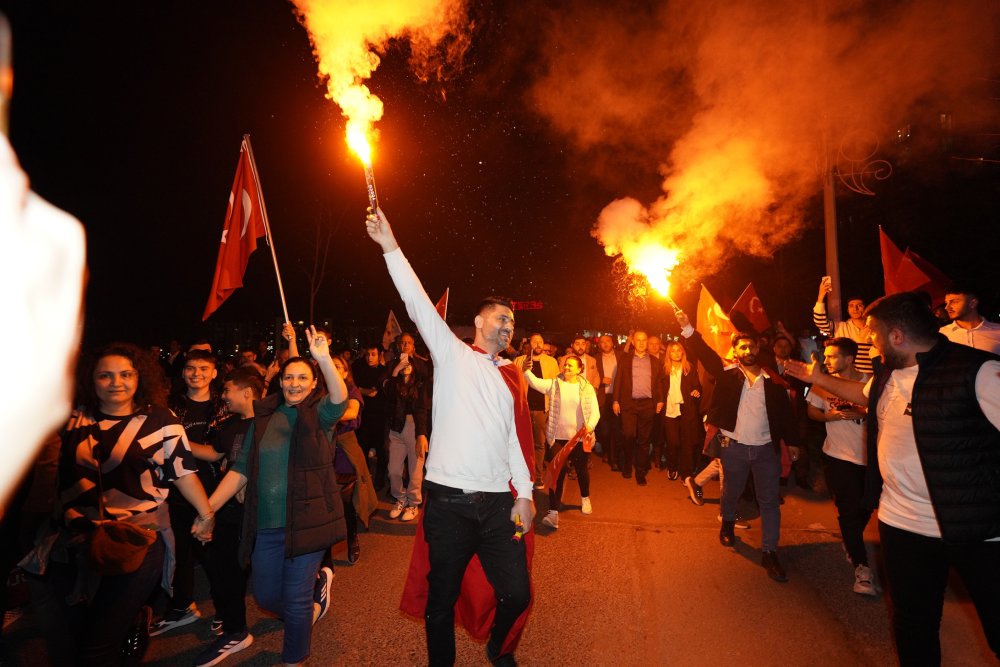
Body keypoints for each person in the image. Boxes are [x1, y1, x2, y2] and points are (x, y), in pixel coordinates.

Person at [785, 292, 1000, 664]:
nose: (870, 342)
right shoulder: (886, 373)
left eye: (874, 334)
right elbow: (863, 394)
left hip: (977, 530)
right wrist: (818, 377)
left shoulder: (978, 372)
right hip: (902, 526)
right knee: (914, 628)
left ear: (897, 336)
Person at [367, 208, 534, 667]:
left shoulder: (512, 376)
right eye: (500, 318)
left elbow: (514, 441)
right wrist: (390, 246)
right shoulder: (452, 354)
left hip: (500, 504)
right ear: (479, 323)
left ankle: (498, 649)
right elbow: (416, 301)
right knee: (439, 601)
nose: (508, 325)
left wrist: (526, 494)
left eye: (513, 322)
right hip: (449, 505)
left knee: (517, 594)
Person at [25, 343, 214, 666]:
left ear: (140, 377)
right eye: (106, 375)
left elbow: (182, 473)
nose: (117, 383)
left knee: (98, 643)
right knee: (70, 634)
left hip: (137, 540)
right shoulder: (71, 418)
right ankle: (135, 620)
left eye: (126, 374)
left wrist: (206, 514)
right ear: (91, 379)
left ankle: (131, 620)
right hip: (73, 542)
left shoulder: (159, 420)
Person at [207, 327, 349, 666]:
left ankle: (294, 658)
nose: (295, 383)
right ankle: (315, 603)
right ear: (280, 381)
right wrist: (207, 509)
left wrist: (324, 359)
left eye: (303, 378)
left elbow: (340, 399)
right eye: (289, 377)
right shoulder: (263, 418)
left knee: (295, 600)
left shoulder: (319, 415)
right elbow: (240, 469)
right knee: (268, 596)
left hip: (308, 521)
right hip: (266, 523)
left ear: (314, 383)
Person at [675, 311, 801, 582]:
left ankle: (769, 551)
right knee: (730, 492)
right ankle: (728, 524)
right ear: (735, 350)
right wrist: (687, 326)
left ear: (758, 349)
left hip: (766, 450)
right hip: (734, 448)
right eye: (742, 346)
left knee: (769, 502)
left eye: (752, 346)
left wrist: (792, 442)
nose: (748, 350)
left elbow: (785, 416)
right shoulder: (727, 374)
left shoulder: (773, 382)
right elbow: (705, 353)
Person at [152, 349, 226, 636]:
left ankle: (226, 610)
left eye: (204, 368)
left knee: (213, 556)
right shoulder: (169, 406)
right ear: (183, 373)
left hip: (213, 492)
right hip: (175, 490)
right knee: (180, 552)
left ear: (214, 373)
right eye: (191, 369)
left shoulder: (223, 406)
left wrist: (176, 442)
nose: (197, 374)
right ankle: (182, 607)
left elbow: (219, 454)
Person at [192, 367, 263, 666]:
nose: (223, 396)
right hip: (230, 511)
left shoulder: (268, 424)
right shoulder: (231, 425)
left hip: (259, 514)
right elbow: (215, 454)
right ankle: (234, 628)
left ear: (246, 392)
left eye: (227, 390)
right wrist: (175, 439)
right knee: (223, 567)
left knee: (263, 573)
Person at [804, 337, 875, 596]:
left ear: (850, 359)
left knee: (866, 506)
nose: (827, 361)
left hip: (869, 459)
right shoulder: (823, 383)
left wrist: (866, 412)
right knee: (847, 510)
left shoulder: (870, 383)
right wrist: (828, 416)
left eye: (833, 356)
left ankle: (850, 538)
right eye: (826, 356)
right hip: (837, 457)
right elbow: (812, 411)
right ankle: (862, 568)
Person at [524, 355, 601, 528]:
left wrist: (590, 425)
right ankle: (553, 512)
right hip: (558, 437)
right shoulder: (554, 384)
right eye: (566, 365)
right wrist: (526, 371)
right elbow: (535, 383)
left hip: (579, 438)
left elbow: (595, 411)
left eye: (571, 366)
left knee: (581, 470)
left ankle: (585, 497)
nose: (567, 368)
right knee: (556, 473)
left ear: (579, 369)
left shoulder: (587, 388)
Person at [328, 355, 378, 564]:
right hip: (322, 449)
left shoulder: (352, 391)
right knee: (323, 502)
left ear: (346, 372)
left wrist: (324, 415)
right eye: (330, 366)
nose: (333, 369)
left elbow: (352, 412)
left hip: (344, 450)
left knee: (347, 502)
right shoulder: (320, 390)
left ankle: (352, 538)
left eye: (338, 366)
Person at [611, 330, 665, 486]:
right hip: (628, 404)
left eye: (644, 340)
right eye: (638, 340)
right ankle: (628, 463)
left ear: (647, 342)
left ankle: (640, 472)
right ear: (633, 342)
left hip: (648, 404)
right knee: (628, 435)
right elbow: (618, 380)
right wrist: (615, 401)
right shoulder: (625, 359)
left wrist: (660, 400)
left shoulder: (655, 362)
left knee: (644, 440)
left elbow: (659, 383)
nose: (641, 343)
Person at [385, 351, 431, 523]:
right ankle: (400, 498)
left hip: (414, 427)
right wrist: (396, 369)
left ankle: (414, 503)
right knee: (394, 470)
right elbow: (387, 394)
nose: (405, 366)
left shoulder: (420, 384)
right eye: (402, 363)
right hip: (396, 429)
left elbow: (422, 410)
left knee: (415, 470)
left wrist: (422, 433)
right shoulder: (394, 384)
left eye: (408, 364)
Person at [513, 334, 559, 489]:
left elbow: (556, 386)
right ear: (529, 344)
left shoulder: (551, 362)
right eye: (535, 341)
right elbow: (514, 381)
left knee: (539, 444)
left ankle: (537, 476)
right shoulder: (520, 360)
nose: (538, 344)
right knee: (522, 443)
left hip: (542, 409)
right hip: (523, 408)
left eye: (541, 341)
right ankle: (523, 474)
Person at [813, 276, 874, 374]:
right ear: (848, 310)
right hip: (845, 381)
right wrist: (821, 296)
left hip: (870, 381)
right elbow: (820, 321)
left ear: (866, 308)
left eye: (859, 305)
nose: (855, 309)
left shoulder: (875, 329)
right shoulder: (840, 328)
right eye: (851, 306)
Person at [662, 341, 704, 481]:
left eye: (678, 350)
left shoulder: (689, 368)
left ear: (682, 352)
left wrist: (696, 391)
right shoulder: (664, 369)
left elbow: (697, 386)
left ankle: (686, 473)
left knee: (687, 442)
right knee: (673, 442)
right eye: (673, 351)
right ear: (669, 353)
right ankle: (672, 467)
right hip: (669, 410)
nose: (676, 353)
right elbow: (658, 387)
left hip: (686, 409)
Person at [352, 343, 390, 489]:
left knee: (382, 451)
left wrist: (361, 389)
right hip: (363, 417)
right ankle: (364, 482)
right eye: (368, 354)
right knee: (362, 450)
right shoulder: (358, 369)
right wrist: (362, 390)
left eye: (373, 354)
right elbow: (355, 387)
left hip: (380, 417)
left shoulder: (383, 371)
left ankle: (379, 480)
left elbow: (374, 392)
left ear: (380, 354)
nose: (370, 357)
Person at [939, 285, 1000, 354]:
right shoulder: (942, 334)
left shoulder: (998, 331)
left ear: (972, 303)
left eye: (954, 302)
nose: (947, 307)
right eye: (946, 303)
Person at [594, 334, 622, 469]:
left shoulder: (622, 356)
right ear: (599, 345)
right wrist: (600, 381)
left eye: (608, 341)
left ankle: (614, 458)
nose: (605, 344)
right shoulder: (595, 359)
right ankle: (606, 450)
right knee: (604, 430)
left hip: (618, 398)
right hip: (603, 397)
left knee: (617, 429)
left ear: (613, 342)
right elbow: (590, 379)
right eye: (602, 342)